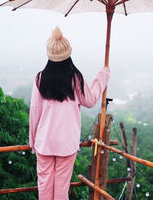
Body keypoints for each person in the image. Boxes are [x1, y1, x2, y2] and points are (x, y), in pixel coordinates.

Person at [29, 27, 110, 200]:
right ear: (68, 54)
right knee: (61, 189)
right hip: (67, 143)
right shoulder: (75, 78)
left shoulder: (40, 78)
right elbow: (90, 100)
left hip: (44, 142)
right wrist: (102, 76)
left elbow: (34, 112)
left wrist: (33, 141)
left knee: (44, 187)